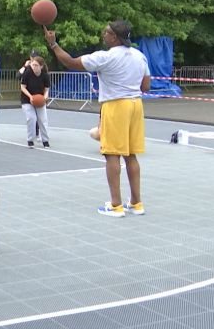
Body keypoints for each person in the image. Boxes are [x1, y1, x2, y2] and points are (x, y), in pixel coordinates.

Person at [45, 20, 150, 217]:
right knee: (131, 154)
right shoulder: (139, 56)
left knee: (112, 154)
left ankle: (116, 205)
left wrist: (53, 43)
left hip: (116, 105)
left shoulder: (104, 57)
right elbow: (146, 86)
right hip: (136, 104)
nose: (103, 34)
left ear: (114, 37)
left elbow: (70, 62)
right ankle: (136, 203)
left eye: (106, 32)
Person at [20, 55, 51, 148]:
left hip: (39, 99)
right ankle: (30, 140)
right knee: (31, 118)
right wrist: (31, 97)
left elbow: (46, 89)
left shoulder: (45, 76)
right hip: (27, 99)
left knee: (43, 120)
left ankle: (45, 140)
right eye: (33, 65)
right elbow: (22, 87)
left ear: (41, 66)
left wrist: (44, 97)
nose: (33, 67)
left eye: (36, 65)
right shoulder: (27, 74)